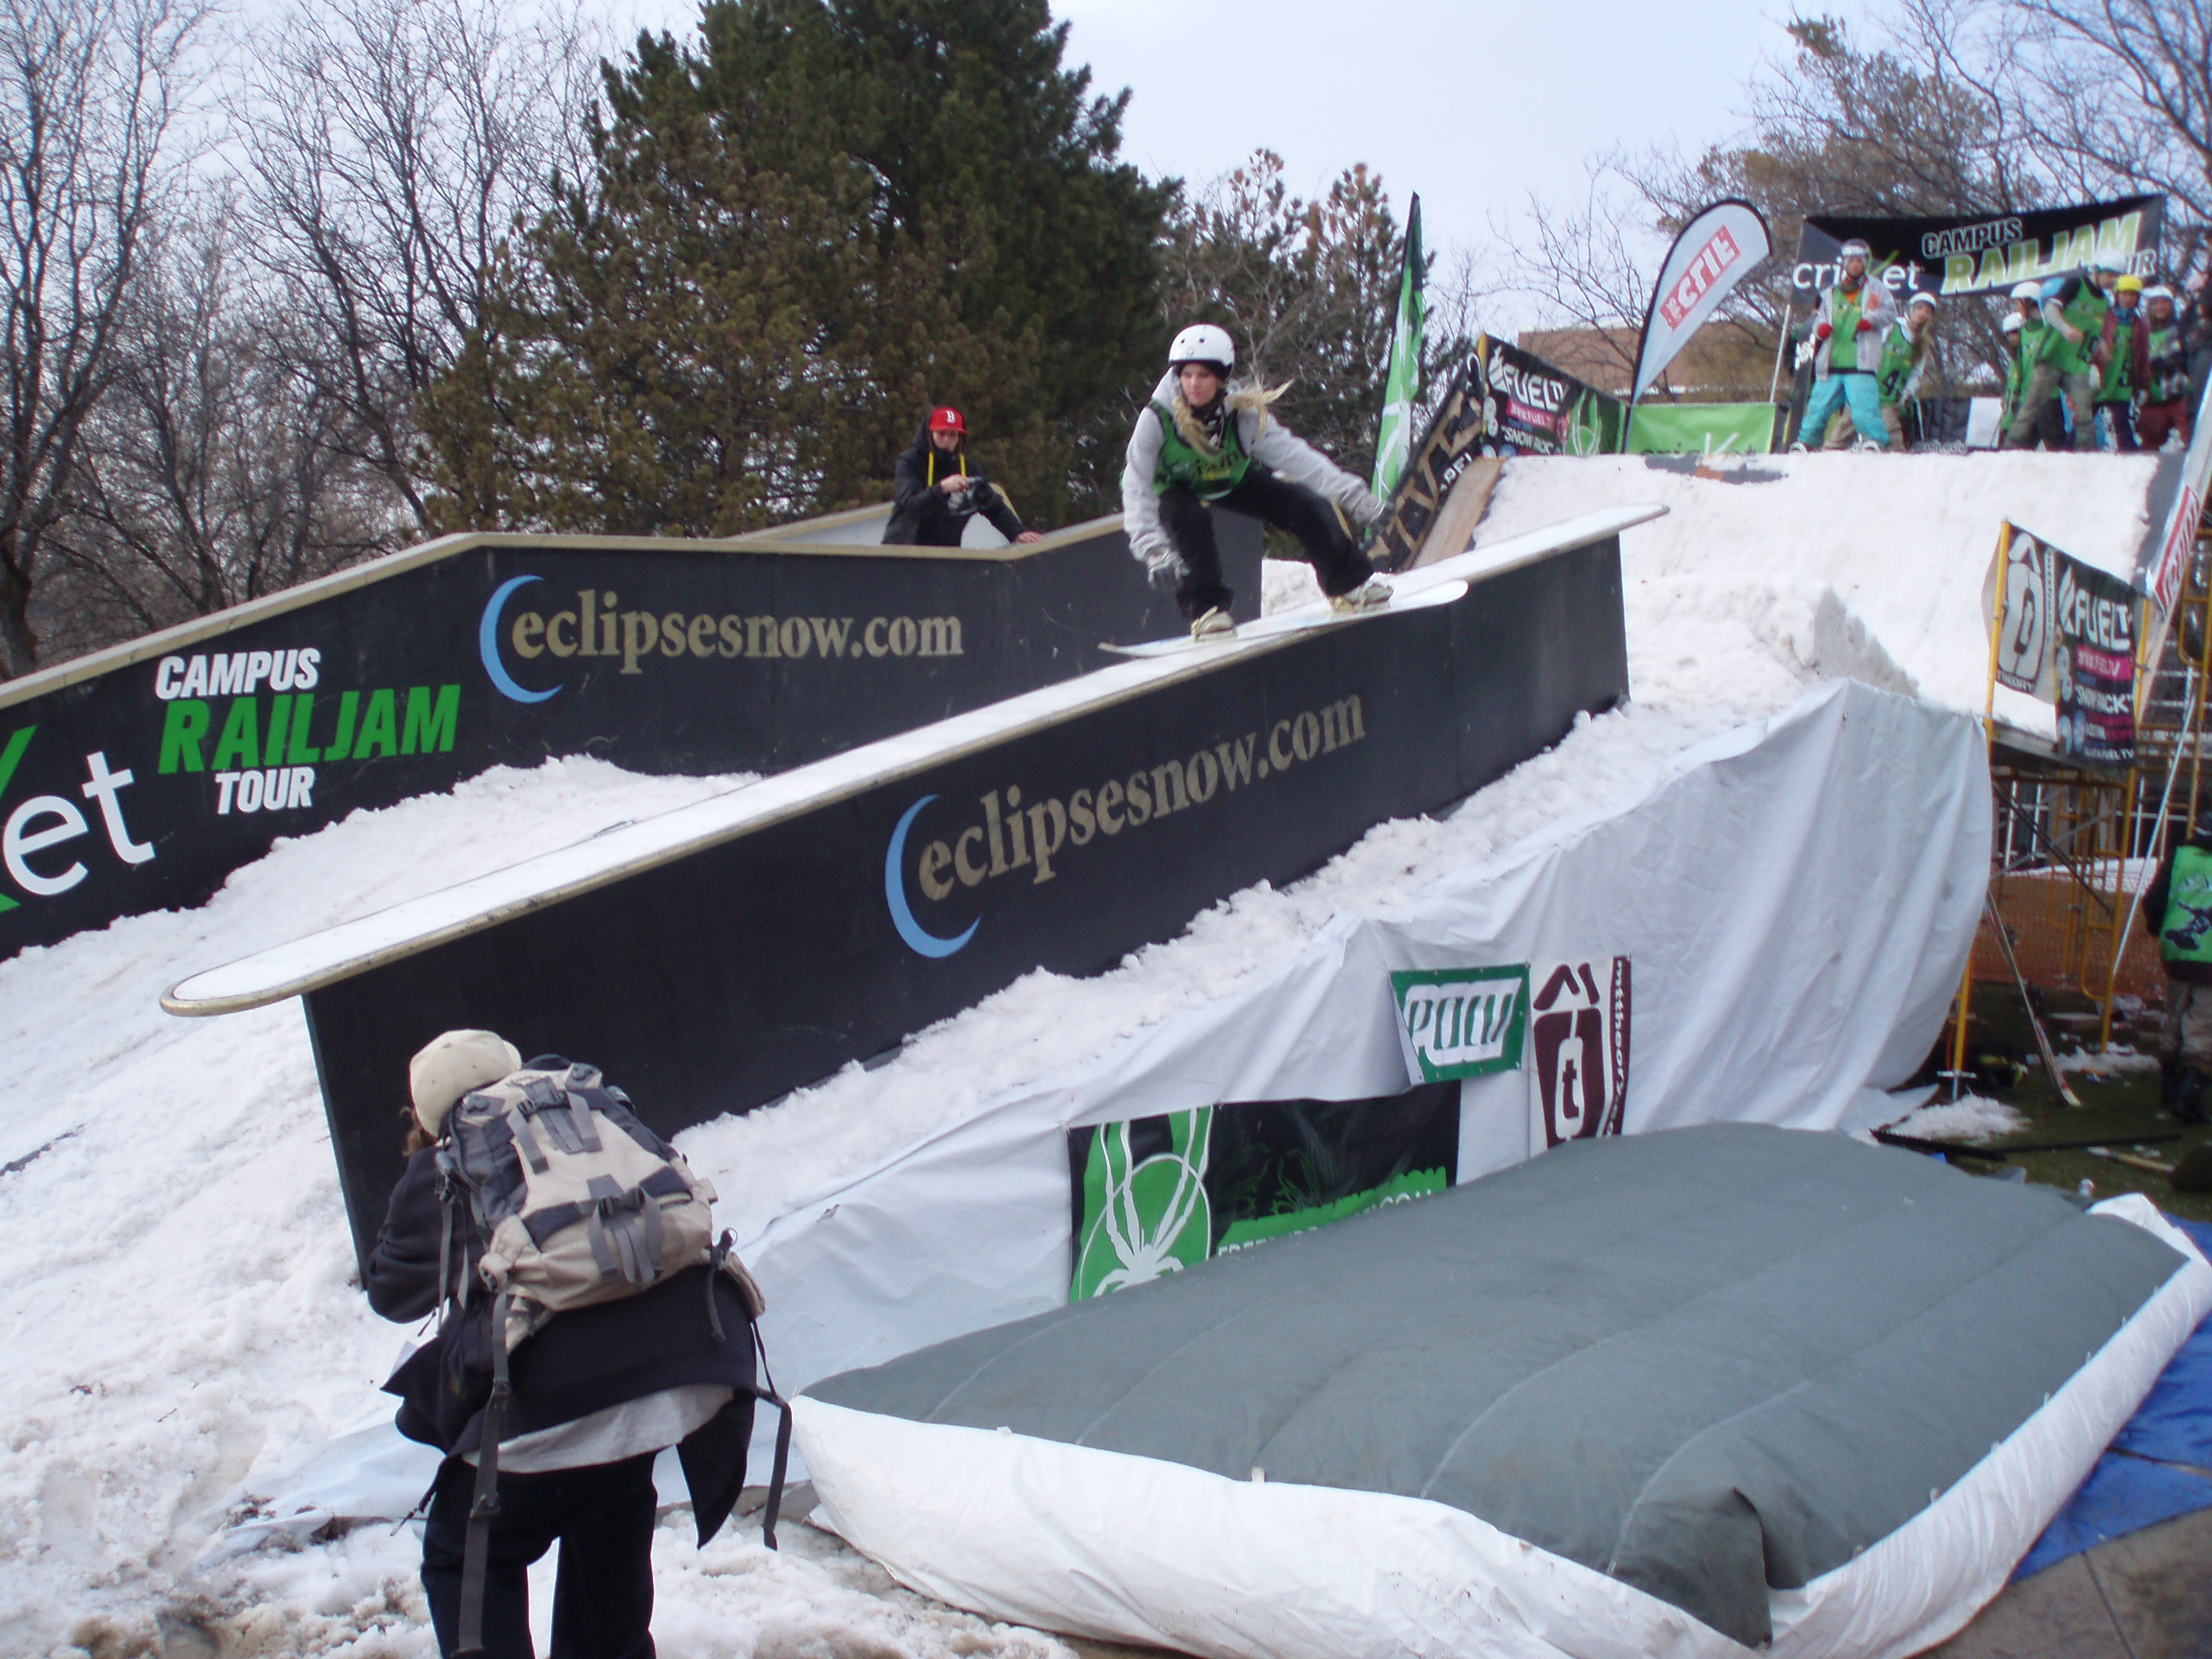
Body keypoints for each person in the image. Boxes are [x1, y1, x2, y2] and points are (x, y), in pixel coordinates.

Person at [369, 1029, 763, 1659]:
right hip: (684, 1367)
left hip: (563, 1398)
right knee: (608, 1489)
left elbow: (390, 1293)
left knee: (462, 1554)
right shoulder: (591, 1108)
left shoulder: (446, 1164)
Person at [1123, 323, 1390, 639]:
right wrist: (1154, 552)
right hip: (1177, 487)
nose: (1193, 384)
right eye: (1187, 375)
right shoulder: (1157, 418)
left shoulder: (1245, 414)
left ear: (1221, 377)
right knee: (1189, 519)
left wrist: (1354, 497)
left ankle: (1349, 585)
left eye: (1204, 375)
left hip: (1233, 480)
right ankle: (1208, 611)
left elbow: (1297, 458)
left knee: (1304, 504)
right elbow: (1136, 484)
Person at [884, 407, 1043, 547]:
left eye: (953, 435)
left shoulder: (968, 467)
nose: (947, 441)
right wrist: (942, 488)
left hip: (946, 557)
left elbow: (992, 504)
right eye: (941, 434)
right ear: (929, 434)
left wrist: (1017, 533)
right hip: (903, 553)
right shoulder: (910, 462)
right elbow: (911, 506)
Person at [2008, 255, 2122, 451]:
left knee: (2084, 411)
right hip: (2053, 358)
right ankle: (2009, 449)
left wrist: (2101, 345)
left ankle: (2086, 454)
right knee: (2031, 407)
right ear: (2098, 271)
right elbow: (2051, 310)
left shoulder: (2103, 301)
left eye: (2116, 276)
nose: (2112, 280)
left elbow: (2092, 332)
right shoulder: (2076, 284)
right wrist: (2065, 328)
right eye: (2110, 274)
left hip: (2076, 363)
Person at [1794, 238, 1897, 451]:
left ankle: (1875, 441)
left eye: (1860, 261)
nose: (1855, 265)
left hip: (1861, 363)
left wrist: (1872, 320)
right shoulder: (1831, 292)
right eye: (1851, 261)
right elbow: (1820, 319)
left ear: (1866, 263)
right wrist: (1820, 329)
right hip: (1832, 363)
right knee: (1818, 407)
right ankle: (1807, 442)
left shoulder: (1877, 289)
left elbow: (1890, 314)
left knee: (1864, 409)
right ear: (1845, 264)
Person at [2144, 814, 2212, 1123]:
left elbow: (2154, 901)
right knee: (2203, 1023)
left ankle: (2168, 1088)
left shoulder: (2179, 856)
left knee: (2175, 1014)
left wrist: (2160, 929)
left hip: (2177, 949)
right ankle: (2188, 1097)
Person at [2139, 285, 2193, 451]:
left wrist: (2154, 361)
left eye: (2165, 303)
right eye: (2156, 303)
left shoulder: (2179, 329)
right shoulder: (2142, 332)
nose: (2161, 307)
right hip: (2152, 398)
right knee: (2149, 443)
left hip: (2178, 393)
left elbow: (2177, 354)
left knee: (2191, 437)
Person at [2095, 274, 2146, 450]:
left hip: (2123, 381)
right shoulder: (2105, 317)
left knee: (2122, 422)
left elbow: (2143, 358)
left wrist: (2143, 386)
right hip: (2101, 379)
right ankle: (2067, 455)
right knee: (2084, 421)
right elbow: (2091, 342)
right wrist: (2091, 368)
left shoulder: (2139, 325)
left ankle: (2131, 460)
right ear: (2117, 295)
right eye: (2124, 294)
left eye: (2133, 295)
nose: (2128, 298)